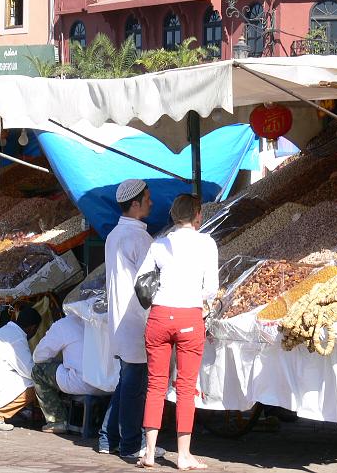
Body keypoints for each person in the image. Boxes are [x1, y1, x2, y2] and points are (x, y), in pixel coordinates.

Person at [136, 194, 218, 470]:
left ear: (173, 215)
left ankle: (149, 453)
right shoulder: (207, 244)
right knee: (185, 387)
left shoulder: (159, 244)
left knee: (156, 385)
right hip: (189, 317)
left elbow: (142, 281)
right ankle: (183, 456)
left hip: (159, 316)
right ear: (197, 215)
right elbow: (211, 289)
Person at [98, 179, 165, 460]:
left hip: (121, 316)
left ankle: (106, 437)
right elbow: (148, 283)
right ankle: (129, 445)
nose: (151, 202)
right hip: (135, 318)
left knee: (127, 381)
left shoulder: (116, 234)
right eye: (147, 198)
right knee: (135, 385)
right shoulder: (139, 239)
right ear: (135, 204)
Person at [31, 313, 108, 434]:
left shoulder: (64, 324)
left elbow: (39, 356)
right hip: (110, 385)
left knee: (38, 371)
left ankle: (57, 420)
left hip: (81, 383)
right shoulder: (107, 320)